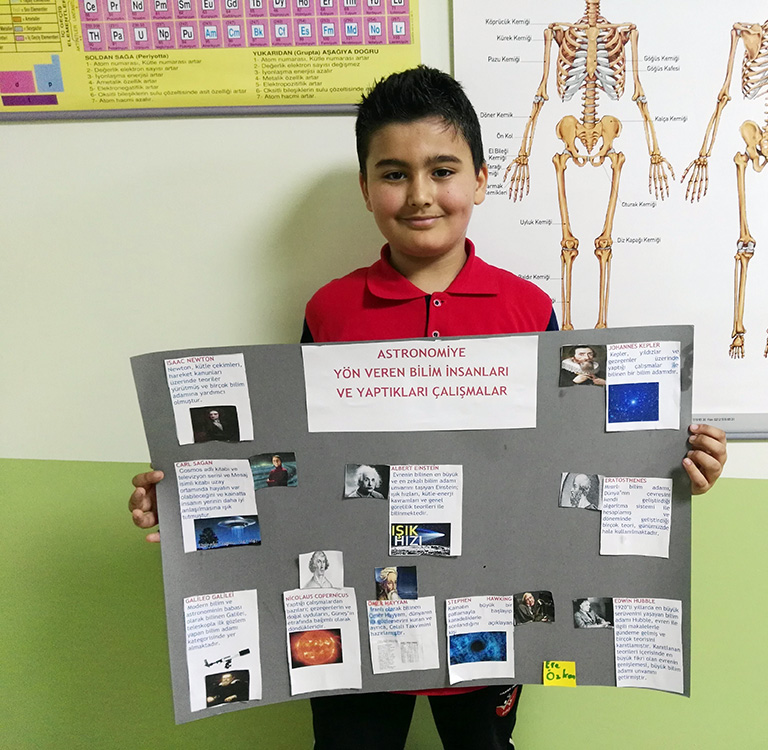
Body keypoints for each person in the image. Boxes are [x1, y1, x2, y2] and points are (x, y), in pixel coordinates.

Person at [128, 65, 728, 750]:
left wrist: (668, 468)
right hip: (356, 616)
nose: (420, 194)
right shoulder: (331, 310)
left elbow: (568, 456)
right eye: (394, 174)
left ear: (480, 178)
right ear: (365, 188)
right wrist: (187, 502)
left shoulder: (528, 309)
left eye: (443, 170)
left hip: (491, 609)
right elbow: (294, 462)